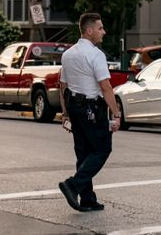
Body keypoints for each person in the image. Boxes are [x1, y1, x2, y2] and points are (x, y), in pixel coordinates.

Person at [58, 12, 120, 212]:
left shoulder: (68, 54)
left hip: (74, 107)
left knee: (83, 153)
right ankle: (73, 185)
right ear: (89, 30)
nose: (104, 32)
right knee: (102, 149)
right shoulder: (95, 54)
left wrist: (65, 113)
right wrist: (117, 114)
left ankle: (87, 198)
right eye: (100, 28)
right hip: (91, 108)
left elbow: (63, 86)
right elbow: (106, 87)